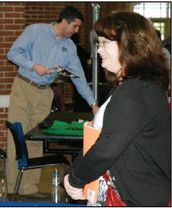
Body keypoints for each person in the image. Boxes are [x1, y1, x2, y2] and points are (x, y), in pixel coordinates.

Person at [64, 11, 170, 206]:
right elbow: (103, 139)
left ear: (130, 45)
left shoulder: (135, 91)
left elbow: (107, 149)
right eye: (99, 43)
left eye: (105, 43)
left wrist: (74, 178)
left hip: (138, 197)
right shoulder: (133, 86)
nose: (98, 50)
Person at [6, 6, 99, 197]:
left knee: (35, 140)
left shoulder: (69, 47)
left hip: (44, 93)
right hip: (24, 87)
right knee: (17, 137)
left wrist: (93, 104)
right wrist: (34, 66)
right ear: (64, 22)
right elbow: (12, 54)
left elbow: (78, 77)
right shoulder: (35, 31)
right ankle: (11, 188)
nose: (76, 31)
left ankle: (29, 189)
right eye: (75, 27)